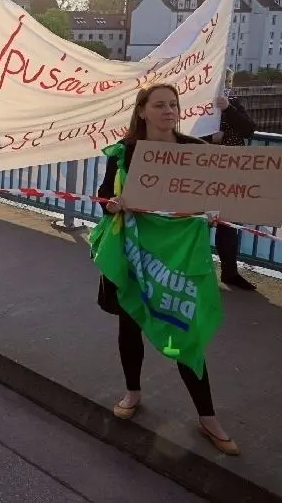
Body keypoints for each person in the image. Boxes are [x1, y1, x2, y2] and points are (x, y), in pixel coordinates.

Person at [96, 83, 237, 456]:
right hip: (135, 255)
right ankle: (133, 392)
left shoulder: (194, 151)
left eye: (173, 105)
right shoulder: (124, 153)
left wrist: (209, 214)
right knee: (131, 325)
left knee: (184, 332)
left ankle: (207, 417)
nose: (168, 111)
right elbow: (103, 197)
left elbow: (214, 199)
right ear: (142, 111)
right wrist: (112, 204)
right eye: (159, 105)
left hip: (176, 261)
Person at [205, 78, 258, 291]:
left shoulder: (233, 103)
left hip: (232, 173)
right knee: (198, 222)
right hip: (202, 173)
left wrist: (227, 108)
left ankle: (230, 272)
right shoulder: (195, 104)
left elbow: (248, 130)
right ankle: (196, 270)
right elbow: (182, 135)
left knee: (229, 224)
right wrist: (211, 138)